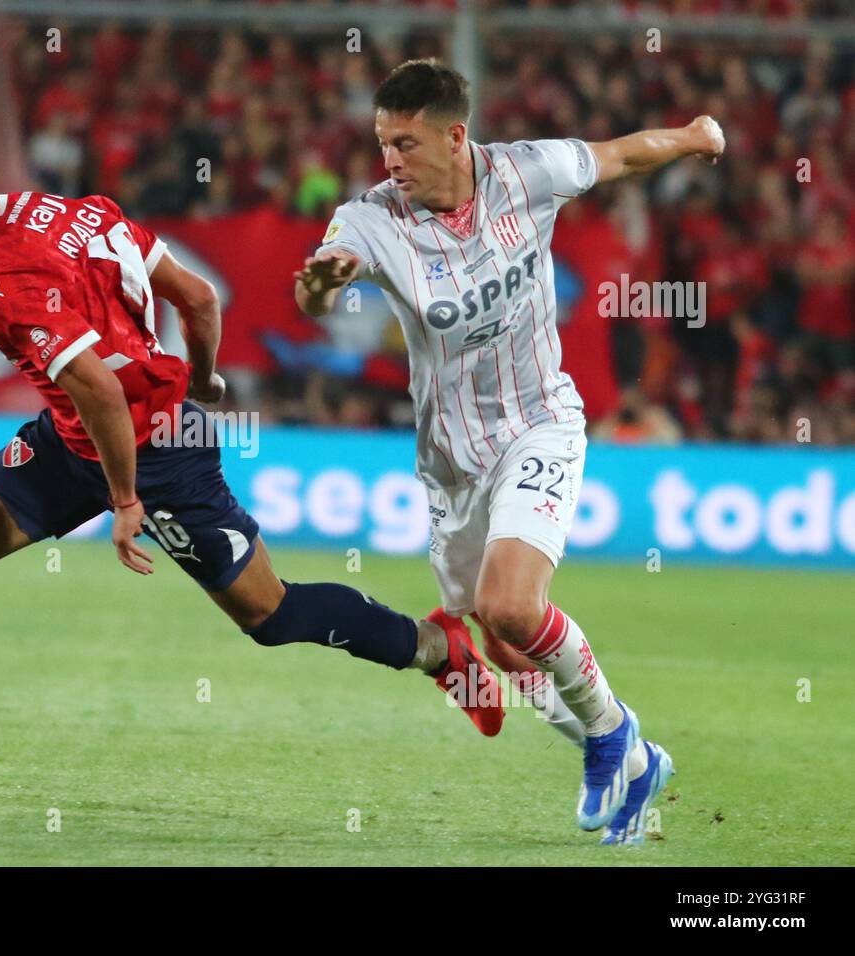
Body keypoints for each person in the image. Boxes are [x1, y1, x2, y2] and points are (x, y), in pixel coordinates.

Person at [0, 172, 509, 778]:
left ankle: (437, 649)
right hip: (77, 439)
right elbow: (198, 297)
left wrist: (125, 500)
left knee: (269, 615)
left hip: (154, 453)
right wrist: (207, 378)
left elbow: (102, 388)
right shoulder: (60, 208)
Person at [294, 59, 724, 844]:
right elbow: (315, 291)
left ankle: (609, 738)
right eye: (382, 144)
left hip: (539, 423)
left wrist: (694, 137)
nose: (390, 160)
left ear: (456, 137)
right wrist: (323, 284)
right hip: (451, 463)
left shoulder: (531, 172)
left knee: (512, 607)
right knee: (497, 639)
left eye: (405, 143)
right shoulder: (371, 220)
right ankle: (632, 749)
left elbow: (624, 153)